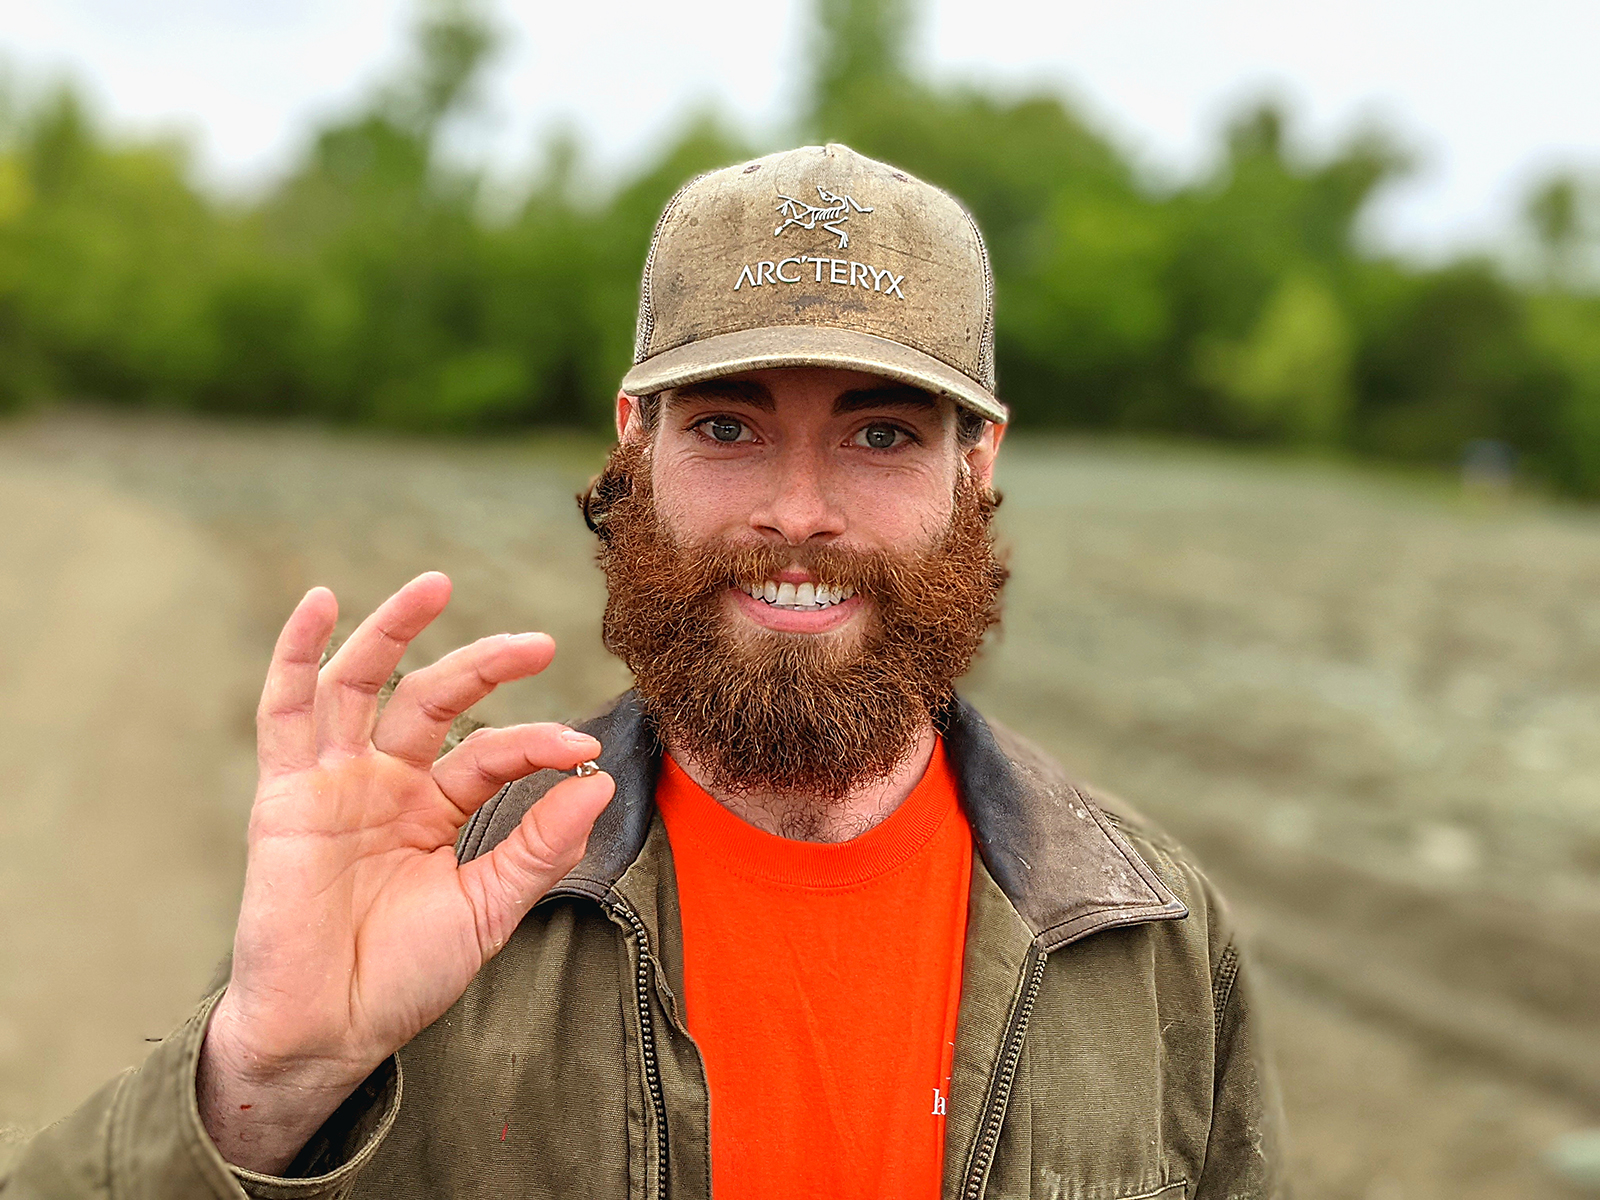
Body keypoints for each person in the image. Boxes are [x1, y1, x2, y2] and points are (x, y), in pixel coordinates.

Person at [2, 143, 1285, 1199]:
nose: (796, 512)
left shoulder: (1154, 945)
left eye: (879, 434)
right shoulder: (449, 904)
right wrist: (260, 1082)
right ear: (636, 440)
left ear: (977, 463)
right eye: (728, 426)